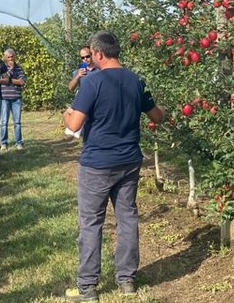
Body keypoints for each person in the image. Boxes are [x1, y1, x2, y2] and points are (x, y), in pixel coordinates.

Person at [62, 31, 165, 302]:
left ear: (98, 54)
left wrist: (66, 113)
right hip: (129, 160)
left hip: (97, 163)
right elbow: (157, 116)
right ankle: (127, 280)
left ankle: (88, 287)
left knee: (91, 222)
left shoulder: (92, 83)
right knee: (127, 218)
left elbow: (74, 125)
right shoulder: (136, 81)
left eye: (91, 56)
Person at [0, 48, 26, 151]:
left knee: (17, 122)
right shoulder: (1, 68)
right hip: (4, 98)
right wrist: (11, 74)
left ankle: (19, 142)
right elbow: (0, 80)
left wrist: (8, 80)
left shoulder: (19, 68)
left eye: (12, 56)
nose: (10, 59)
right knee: (4, 122)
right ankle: (3, 143)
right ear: (5, 58)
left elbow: (22, 82)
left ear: (15, 56)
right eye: (8, 57)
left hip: (16, 98)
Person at [65, 46, 97, 138]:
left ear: (92, 55)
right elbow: (70, 88)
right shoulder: (78, 72)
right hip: (83, 105)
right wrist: (77, 76)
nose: (85, 59)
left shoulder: (100, 70)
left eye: (87, 56)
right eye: (82, 58)